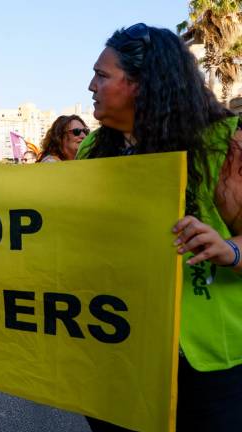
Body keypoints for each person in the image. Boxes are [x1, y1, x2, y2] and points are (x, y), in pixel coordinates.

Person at [78, 23, 242, 432]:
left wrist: (229, 250)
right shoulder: (90, 151)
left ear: (140, 83)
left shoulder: (223, 144)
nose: (90, 86)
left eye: (102, 75)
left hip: (207, 368)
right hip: (115, 351)